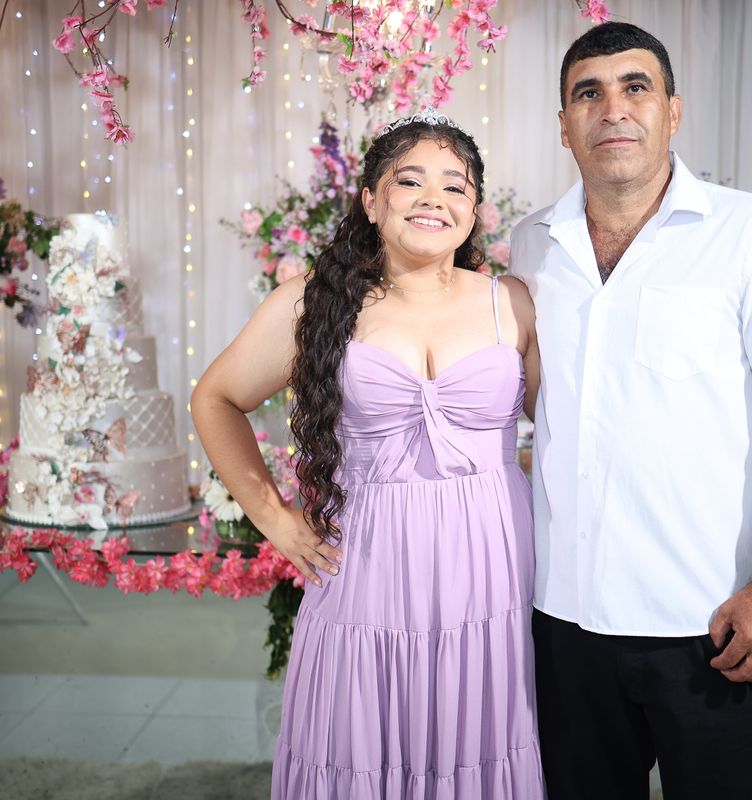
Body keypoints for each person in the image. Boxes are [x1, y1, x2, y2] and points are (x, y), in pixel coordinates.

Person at [509, 21, 752, 800]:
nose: (613, 108)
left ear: (672, 111)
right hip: (565, 622)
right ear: (564, 125)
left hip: (706, 621)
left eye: (635, 87)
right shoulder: (530, 243)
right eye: (588, 93)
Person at [191, 111, 545, 798]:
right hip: (365, 565)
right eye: (409, 181)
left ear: (475, 210)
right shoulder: (313, 303)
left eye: (455, 186)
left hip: (492, 568)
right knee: (359, 749)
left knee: (477, 742)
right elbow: (216, 399)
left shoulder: (512, 302)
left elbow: (570, 430)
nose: (433, 199)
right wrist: (276, 520)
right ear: (372, 202)